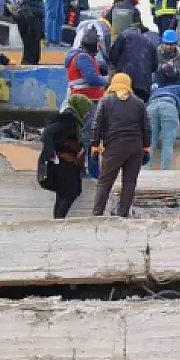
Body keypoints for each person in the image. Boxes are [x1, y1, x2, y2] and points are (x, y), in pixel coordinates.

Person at [89, 73, 151, 217]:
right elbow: (146, 128)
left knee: (105, 181)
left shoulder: (105, 101)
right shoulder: (139, 102)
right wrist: (146, 149)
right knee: (129, 183)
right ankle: (122, 214)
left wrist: (95, 147)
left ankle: (97, 213)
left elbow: (96, 125)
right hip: (135, 147)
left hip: (114, 147)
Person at [65, 27, 110, 177]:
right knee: (91, 137)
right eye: (97, 44)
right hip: (88, 102)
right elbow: (92, 79)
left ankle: (84, 170)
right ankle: (92, 172)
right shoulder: (83, 58)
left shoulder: (80, 56)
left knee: (87, 136)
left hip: (85, 100)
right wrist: (106, 79)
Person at [41, 94, 92, 218]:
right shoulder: (68, 118)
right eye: (86, 111)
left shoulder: (75, 120)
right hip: (62, 161)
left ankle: (57, 220)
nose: (87, 115)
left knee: (63, 192)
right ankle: (59, 219)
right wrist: (52, 155)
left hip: (68, 160)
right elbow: (48, 133)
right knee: (71, 192)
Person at [147, 63, 180, 170]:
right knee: (167, 143)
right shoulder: (178, 87)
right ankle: (165, 171)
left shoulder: (154, 88)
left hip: (151, 107)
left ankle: (145, 171)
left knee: (149, 144)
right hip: (169, 105)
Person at [108, 20, 157, 102]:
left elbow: (113, 56)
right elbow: (154, 67)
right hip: (144, 85)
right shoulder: (150, 42)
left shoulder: (124, 34)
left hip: (125, 81)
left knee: (121, 106)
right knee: (138, 109)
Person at [14, 0, 46, 65]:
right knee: (30, 52)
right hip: (30, 22)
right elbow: (24, 3)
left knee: (34, 52)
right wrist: (30, 21)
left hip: (34, 21)